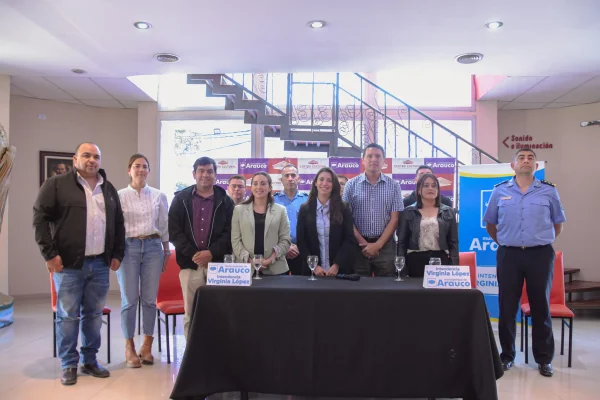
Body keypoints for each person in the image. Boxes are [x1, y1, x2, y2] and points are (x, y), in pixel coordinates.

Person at [33, 143, 125, 386]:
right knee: (68, 317)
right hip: (68, 266)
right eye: (86, 155)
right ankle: (69, 364)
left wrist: (117, 253)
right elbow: (40, 220)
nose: (92, 160)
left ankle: (90, 360)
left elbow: (118, 224)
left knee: (94, 316)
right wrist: (49, 254)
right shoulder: (56, 185)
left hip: (100, 264)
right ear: (75, 159)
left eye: (96, 156)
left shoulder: (109, 189)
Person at [484, 148, 566, 378]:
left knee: (541, 306)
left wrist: (539, 241)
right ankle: (507, 356)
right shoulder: (500, 191)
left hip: (540, 255)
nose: (526, 160)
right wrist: (506, 242)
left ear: (536, 166)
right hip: (509, 254)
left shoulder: (548, 192)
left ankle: (543, 359)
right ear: (513, 165)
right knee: (507, 307)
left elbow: (557, 224)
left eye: (531, 158)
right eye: (521, 157)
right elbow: (491, 223)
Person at [168, 156, 235, 339]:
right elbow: (174, 232)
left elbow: (230, 233)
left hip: (218, 265)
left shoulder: (225, 201)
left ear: (215, 174)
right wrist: (195, 255)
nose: (205, 175)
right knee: (191, 314)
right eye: (201, 171)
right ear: (194, 174)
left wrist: (211, 253)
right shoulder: (180, 199)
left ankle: (217, 354)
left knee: (219, 313)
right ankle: (192, 357)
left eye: (210, 171)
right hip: (190, 265)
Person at [117, 154, 170, 368]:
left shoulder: (159, 195)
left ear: (149, 171)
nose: (141, 170)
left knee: (149, 299)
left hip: (153, 248)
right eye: (137, 166)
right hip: (127, 247)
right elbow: (114, 227)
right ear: (129, 170)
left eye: (145, 167)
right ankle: (129, 345)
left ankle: (147, 344)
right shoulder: (119, 195)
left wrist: (166, 251)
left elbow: (164, 224)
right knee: (129, 300)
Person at [342, 143, 403, 276]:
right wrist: (363, 243)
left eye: (378, 156)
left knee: (387, 289)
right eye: (369, 156)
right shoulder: (350, 185)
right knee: (359, 290)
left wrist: (378, 245)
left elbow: (395, 219)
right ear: (363, 160)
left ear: (384, 161)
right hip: (358, 246)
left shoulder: (394, 186)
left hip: (385, 247)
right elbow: (347, 219)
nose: (374, 159)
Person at [297, 167, 357, 276]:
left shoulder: (343, 208)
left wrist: (337, 265)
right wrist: (314, 266)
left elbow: (349, 239)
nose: (325, 183)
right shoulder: (304, 209)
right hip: (312, 271)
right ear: (315, 183)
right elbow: (302, 241)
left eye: (329, 180)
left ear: (334, 185)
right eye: (321, 179)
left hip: (339, 271)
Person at [396, 173, 459, 277]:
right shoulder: (408, 212)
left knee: (439, 293)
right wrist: (401, 269)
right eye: (426, 185)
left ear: (438, 190)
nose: (430, 188)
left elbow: (454, 243)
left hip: (440, 261)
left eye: (434, 185)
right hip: (414, 261)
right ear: (419, 190)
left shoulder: (448, 211)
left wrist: (454, 267)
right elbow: (402, 242)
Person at [231, 172, 291, 276]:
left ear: (270, 187)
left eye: (263, 183)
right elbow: (235, 240)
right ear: (251, 187)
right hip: (245, 269)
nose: (259, 187)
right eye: (255, 183)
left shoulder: (280, 210)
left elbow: (285, 240)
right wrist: (250, 261)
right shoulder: (238, 210)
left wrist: (271, 259)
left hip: (275, 269)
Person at [273, 164, 308, 275]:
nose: (290, 179)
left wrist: (299, 247)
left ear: (298, 179)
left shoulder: (307, 200)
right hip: (278, 252)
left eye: (293, 175)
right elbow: (269, 229)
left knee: (301, 288)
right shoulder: (272, 200)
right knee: (277, 288)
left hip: (301, 251)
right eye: (286, 176)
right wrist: (285, 247)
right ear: (281, 180)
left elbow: (311, 228)